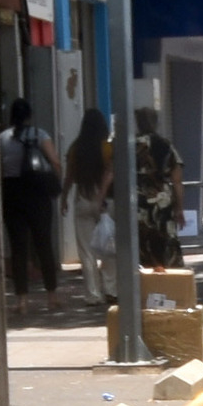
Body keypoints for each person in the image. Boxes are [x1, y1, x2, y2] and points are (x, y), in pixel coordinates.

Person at [0, 98, 63, 296]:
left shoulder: (2, 138)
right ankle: (51, 294)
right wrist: (54, 183)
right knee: (43, 243)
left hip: (12, 193)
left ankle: (21, 299)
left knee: (18, 247)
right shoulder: (40, 134)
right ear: (29, 116)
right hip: (38, 194)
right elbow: (55, 163)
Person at [67, 106, 113, 290]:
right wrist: (101, 195)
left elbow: (69, 176)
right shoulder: (107, 148)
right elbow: (111, 172)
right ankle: (111, 289)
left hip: (82, 196)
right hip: (104, 199)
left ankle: (93, 293)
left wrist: (63, 198)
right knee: (109, 245)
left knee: (86, 250)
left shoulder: (75, 148)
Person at [133, 103, 183, 268]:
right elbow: (177, 180)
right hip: (162, 199)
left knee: (141, 242)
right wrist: (179, 208)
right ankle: (165, 281)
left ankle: (145, 283)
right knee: (164, 240)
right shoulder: (165, 145)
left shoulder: (129, 145)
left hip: (138, 199)